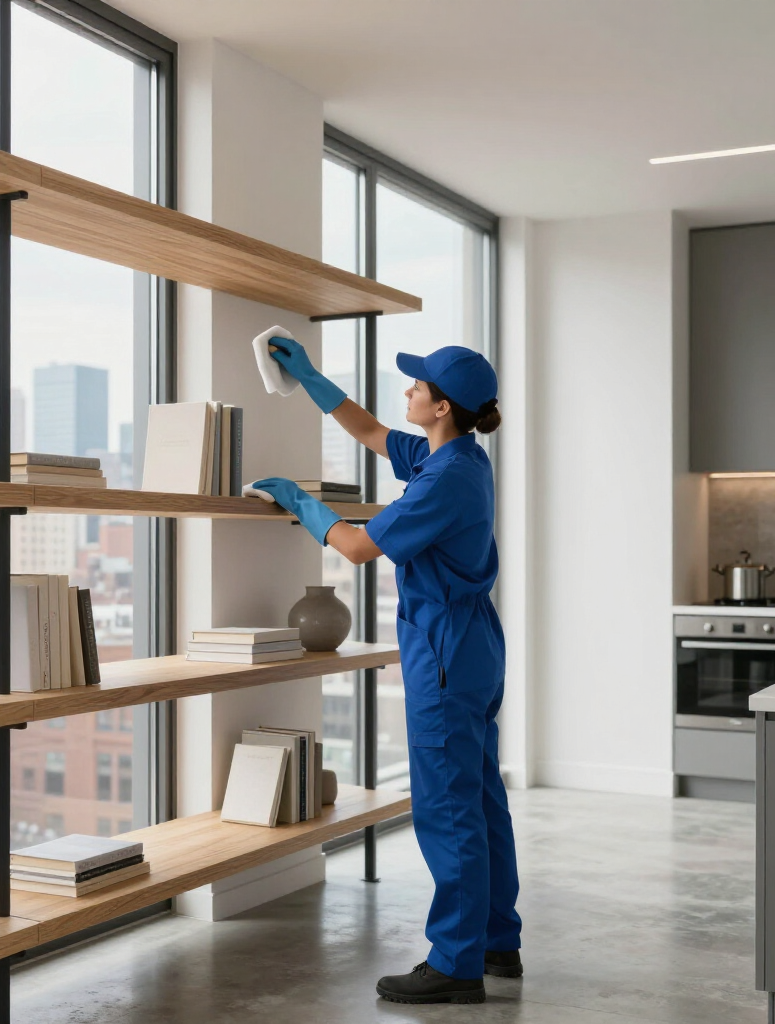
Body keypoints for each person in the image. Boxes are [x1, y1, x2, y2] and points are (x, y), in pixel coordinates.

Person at [251, 337, 522, 1006]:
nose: (408, 393)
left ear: (442, 406)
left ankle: (456, 965)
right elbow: (371, 430)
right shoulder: (457, 455)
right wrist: (310, 379)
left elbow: (359, 545)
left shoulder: (445, 481)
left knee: (449, 806)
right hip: (473, 648)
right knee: (481, 795)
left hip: (445, 655)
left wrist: (301, 502)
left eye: (418, 387)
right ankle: (495, 939)